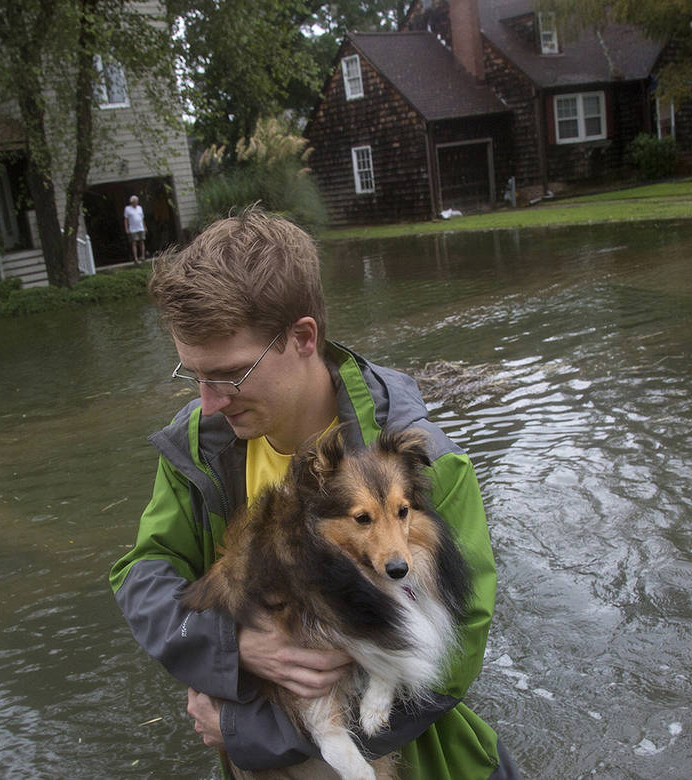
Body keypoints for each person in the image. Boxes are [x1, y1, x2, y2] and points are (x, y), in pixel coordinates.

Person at [109, 210, 519, 779]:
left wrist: (248, 732)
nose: (208, 402)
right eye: (194, 375)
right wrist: (230, 648)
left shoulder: (422, 466)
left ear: (303, 338)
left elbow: (455, 656)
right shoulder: (198, 447)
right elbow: (144, 571)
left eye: (229, 374)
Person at [124, 194, 147, 263]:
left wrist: (145, 226)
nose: (136, 202)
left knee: (142, 242)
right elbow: (126, 219)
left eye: (137, 201)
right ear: (132, 202)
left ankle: (143, 256)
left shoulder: (140, 208)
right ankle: (136, 258)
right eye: (135, 201)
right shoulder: (127, 209)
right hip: (132, 229)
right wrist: (126, 228)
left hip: (141, 228)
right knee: (134, 243)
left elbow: (142, 218)